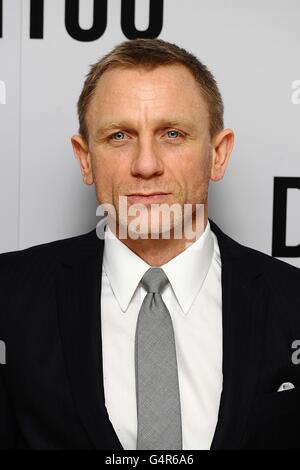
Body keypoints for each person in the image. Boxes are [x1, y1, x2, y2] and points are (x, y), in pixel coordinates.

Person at [0, 38, 300, 451]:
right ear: (85, 158)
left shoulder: (292, 301)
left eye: (172, 134)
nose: (146, 165)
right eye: (119, 136)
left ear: (218, 153)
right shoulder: (8, 295)